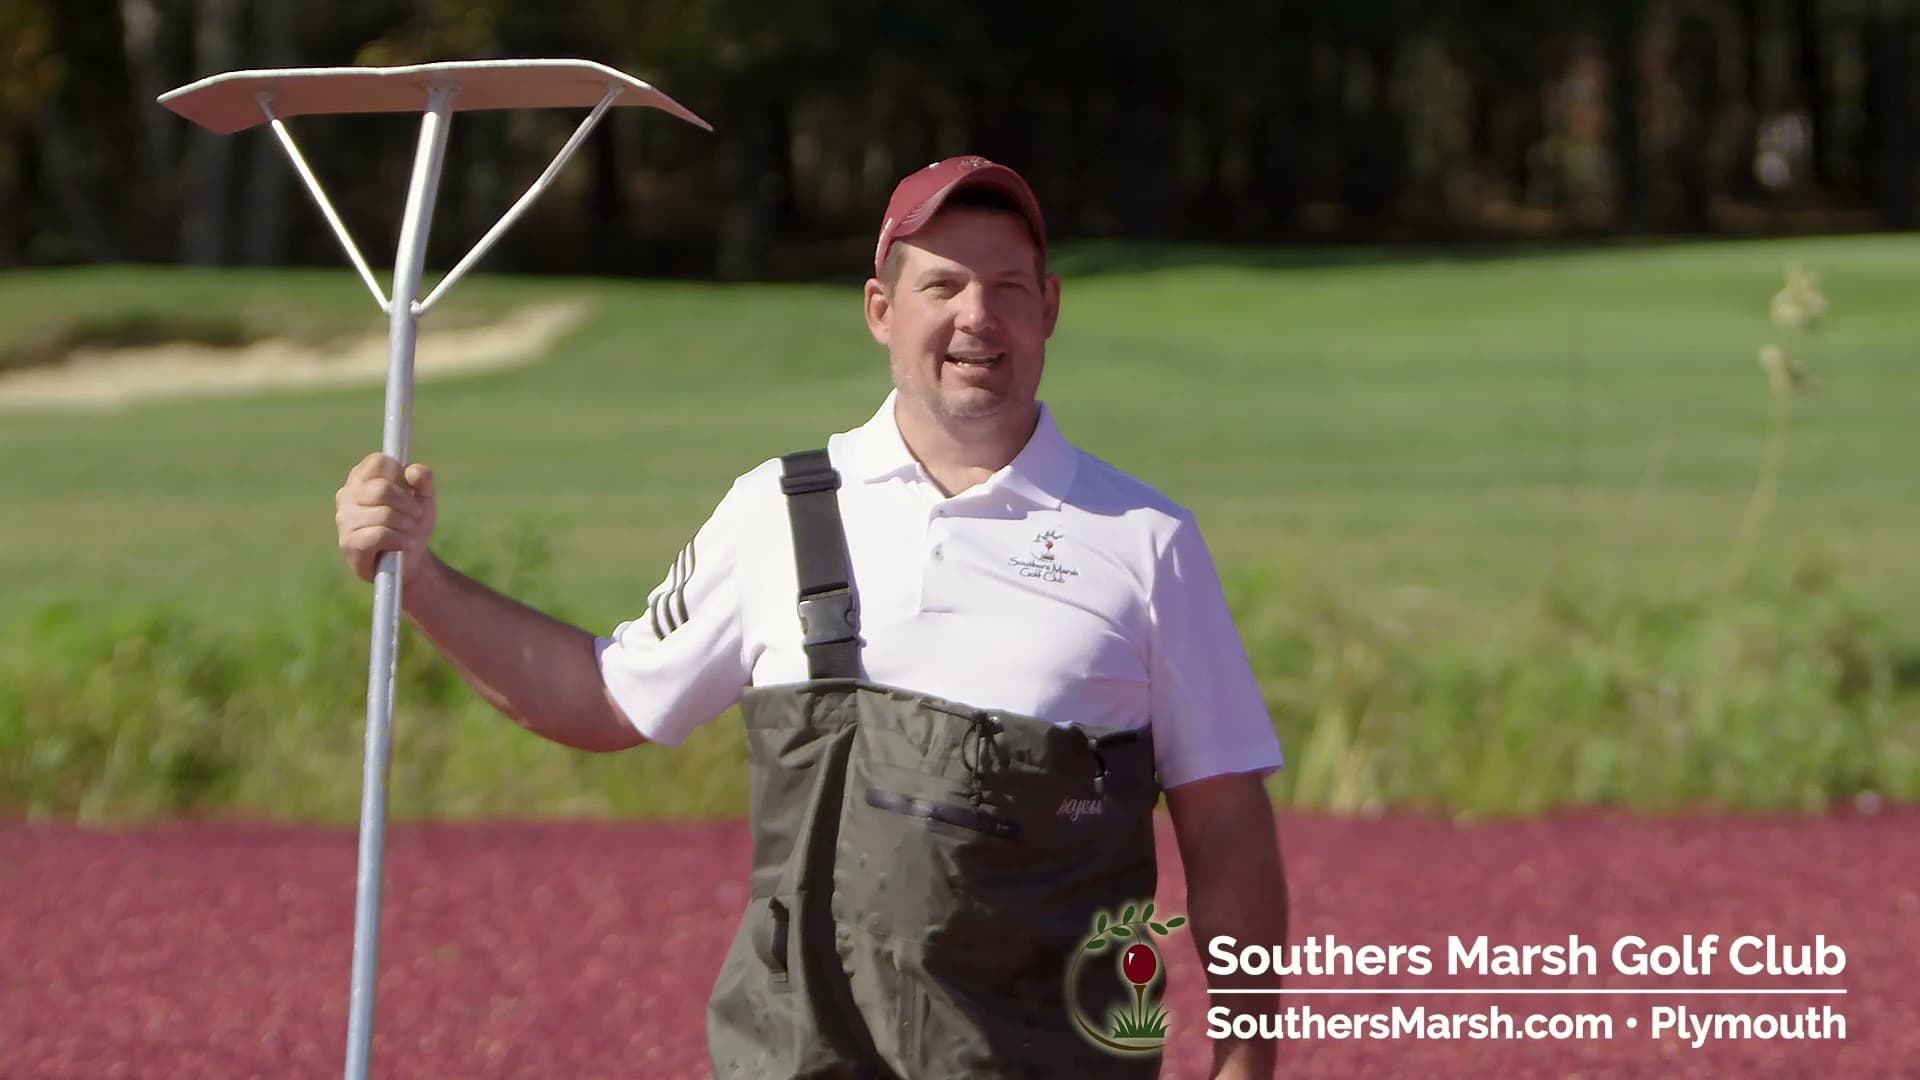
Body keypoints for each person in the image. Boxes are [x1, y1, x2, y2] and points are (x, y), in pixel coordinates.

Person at [334, 155, 1290, 1079]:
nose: (977, 317)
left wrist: (1244, 1064)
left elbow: (1226, 831)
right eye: (943, 285)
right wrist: (419, 577)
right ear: (881, 310)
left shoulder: (1142, 539)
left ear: (1048, 308)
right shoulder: (778, 512)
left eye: (1007, 286)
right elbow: (603, 698)